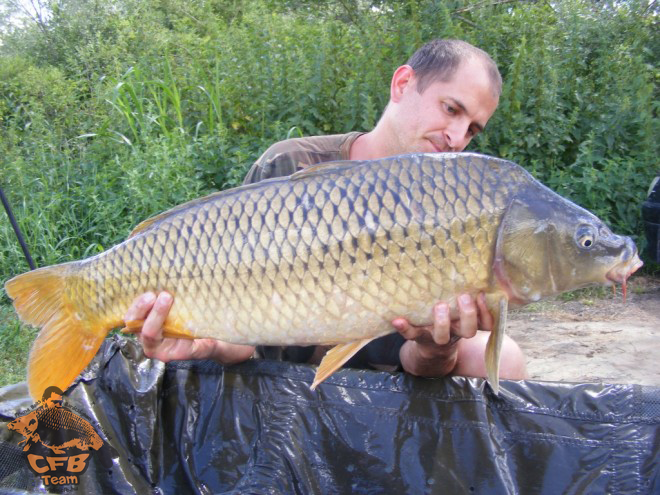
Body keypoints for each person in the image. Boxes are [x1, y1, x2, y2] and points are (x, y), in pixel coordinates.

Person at [124, 39, 527, 382]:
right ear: (404, 84)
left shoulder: (454, 210)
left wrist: (438, 346)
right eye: (451, 109)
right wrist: (210, 341)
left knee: (502, 358)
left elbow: (419, 364)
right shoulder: (291, 165)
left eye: (472, 129)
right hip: (275, 373)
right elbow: (242, 339)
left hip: (382, 381)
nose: (457, 137)